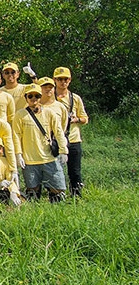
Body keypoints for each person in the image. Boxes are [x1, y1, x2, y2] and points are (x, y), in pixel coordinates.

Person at [12, 84, 68, 202]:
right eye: (30, 96)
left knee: (58, 190)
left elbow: (58, 132)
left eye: (37, 96)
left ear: (40, 97)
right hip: (30, 160)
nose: (34, 99)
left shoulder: (49, 113)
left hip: (49, 158)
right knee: (33, 191)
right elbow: (16, 136)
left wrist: (63, 150)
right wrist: (18, 154)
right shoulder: (20, 115)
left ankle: (56, 210)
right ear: (26, 97)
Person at [53, 66, 89, 197]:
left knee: (75, 171)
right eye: (60, 79)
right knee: (55, 171)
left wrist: (76, 119)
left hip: (73, 139)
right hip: (56, 140)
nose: (63, 82)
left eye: (66, 79)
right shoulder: (49, 97)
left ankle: (76, 195)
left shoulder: (75, 98)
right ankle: (57, 196)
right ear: (54, 80)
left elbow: (85, 119)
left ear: (70, 80)